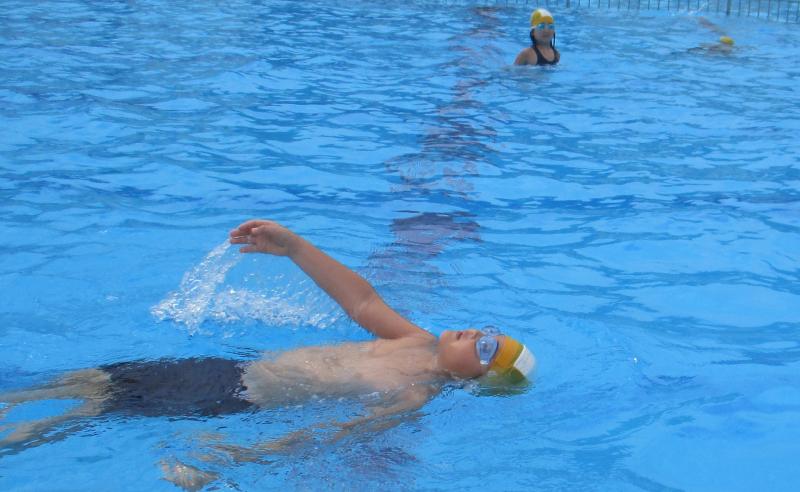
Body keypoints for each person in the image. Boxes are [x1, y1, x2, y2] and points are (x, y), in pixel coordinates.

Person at [0, 219, 536, 456]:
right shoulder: (415, 340)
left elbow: (335, 434)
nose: (477, 334)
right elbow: (361, 301)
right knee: (93, 379)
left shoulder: (413, 395)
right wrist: (294, 246)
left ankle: (18, 438)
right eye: (487, 331)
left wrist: (238, 455)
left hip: (237, 398)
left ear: (478, 379)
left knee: (88, 412)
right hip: (224, 369)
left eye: (486, 348)